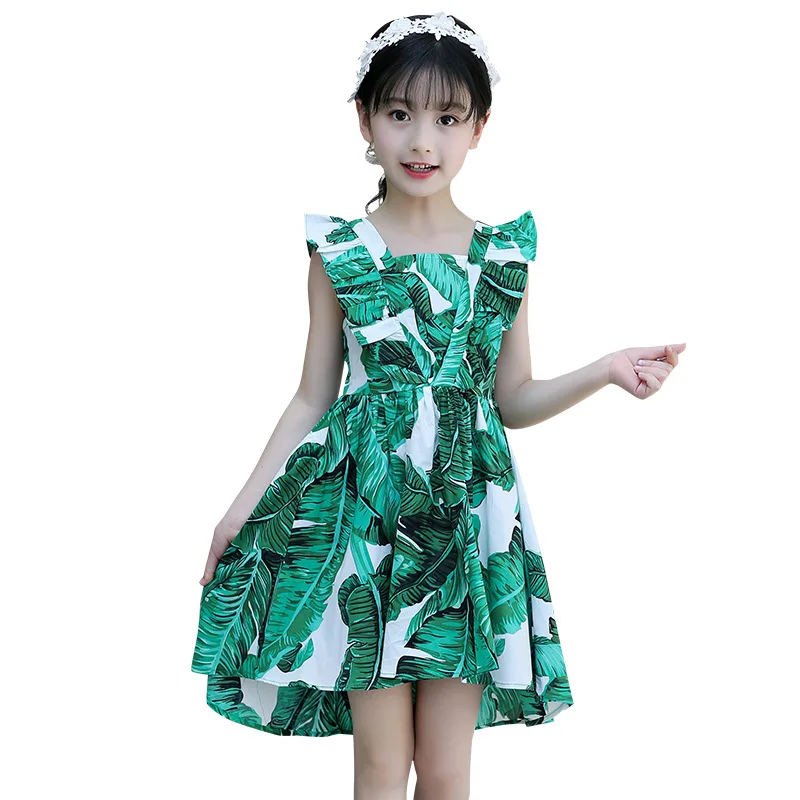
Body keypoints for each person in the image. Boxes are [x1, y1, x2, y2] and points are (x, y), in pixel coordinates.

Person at [191, 10, 686, 799]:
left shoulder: (503, 257)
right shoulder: (342, 254)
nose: (423, 140)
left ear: (479, 128)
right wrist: (241, 507)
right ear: (365, 119)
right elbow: (312, 396)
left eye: (448, 119)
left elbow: (511, 398)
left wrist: (604, 371)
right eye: (400, 113)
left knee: (448, 772)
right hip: (368, 527)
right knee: (381, 765)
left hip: (467, 523)